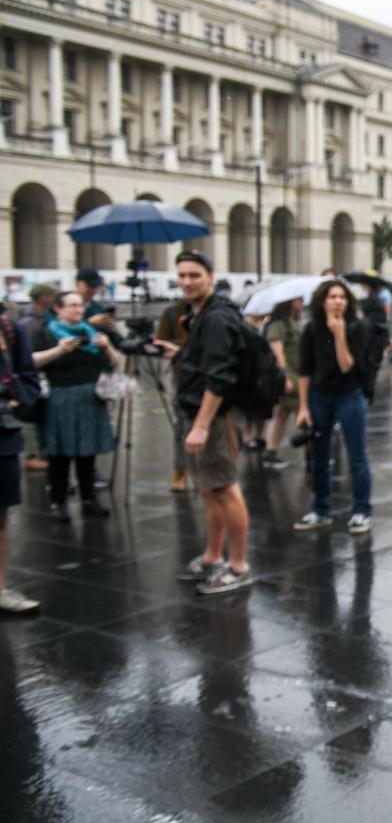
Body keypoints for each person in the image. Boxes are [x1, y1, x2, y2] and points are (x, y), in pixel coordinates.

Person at [173, 251, 253, 595]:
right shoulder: (202, 314)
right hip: (198, 413)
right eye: (182, 276)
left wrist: (202, 425)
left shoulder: (217, 317)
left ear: (210, 276)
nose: (187, 282)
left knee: (224, 487)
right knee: (209, 488)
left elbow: (219, 377)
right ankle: (212, 556)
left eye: (194, 275)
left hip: (213, 417)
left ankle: (237, 565)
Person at [293, 278, 374, 534]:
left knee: (356, 455)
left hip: (349, 395)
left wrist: (340, 335)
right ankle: (321, 509)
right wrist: (303, 406)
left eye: (342, 297)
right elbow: (305, 370)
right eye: (332, 297)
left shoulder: (357, 327)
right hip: (320, 396)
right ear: (323, 301)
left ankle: (362, 510)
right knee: (319, 455)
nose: (338, 301)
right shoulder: (311, 329)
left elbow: (347, 365)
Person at [31, 291, 119, 520]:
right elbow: (31, 361)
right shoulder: (47, 332)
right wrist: (59, 350)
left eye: (80, 305)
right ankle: (58, 502)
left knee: (87, 453)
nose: (78, 310)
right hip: (61, 396)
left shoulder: (90, 332)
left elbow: (113, 363)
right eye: (71, 305)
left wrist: (107, 346)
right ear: (58, 308)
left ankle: (89, 500)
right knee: (60, 454)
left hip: (91, 396)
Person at [0, 310, 40, 613]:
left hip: (3, 435)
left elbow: (28, 377)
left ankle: (0, 587)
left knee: (1, 515)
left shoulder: (9, 328)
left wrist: (16, 400)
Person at [17, 283, 56, 474]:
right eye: (51, 295)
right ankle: (34, 454)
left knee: (41, 415)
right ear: (43, 298)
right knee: (34, 415)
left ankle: (40, 452)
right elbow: (27, 354)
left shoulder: (40, 319)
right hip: (34, 375)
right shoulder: (29, 322)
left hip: (40, 374)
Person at [153, 294, 191, 490]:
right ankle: (180, 469)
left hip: (210, 377)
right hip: (183, 377)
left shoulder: (214, 312)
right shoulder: (171, 313)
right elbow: (161, 343)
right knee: (182, 425)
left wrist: (180, 346)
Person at [260, 298, 303, 470]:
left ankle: (270, 451)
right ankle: (311, 451)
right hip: (289, 374)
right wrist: (285, 376)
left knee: (283, 413)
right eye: (298, 299)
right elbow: (277, 351)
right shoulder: (279, 324)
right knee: (301, 412)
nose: (301, 302)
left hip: (297, 373)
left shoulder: (293, 321)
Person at [76, 268, 114, 332]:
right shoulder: (65, 306)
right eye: (90, 286)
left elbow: (112, 335)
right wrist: (89, 323)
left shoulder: (99, 308)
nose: (93, 290)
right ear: (77, 283)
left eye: (96, 286)